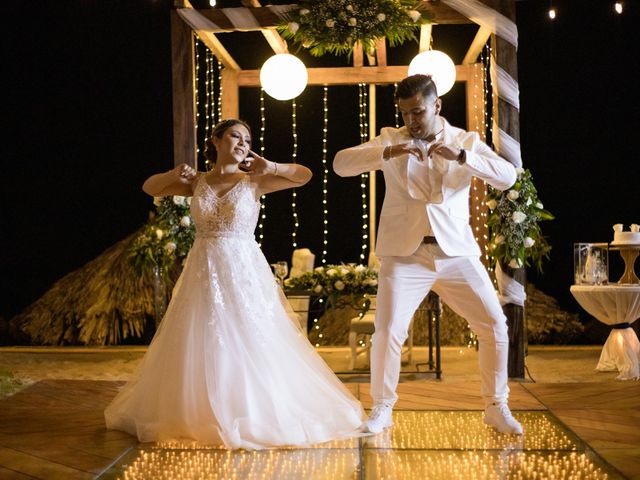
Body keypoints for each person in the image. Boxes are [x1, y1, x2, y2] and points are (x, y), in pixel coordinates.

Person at [105, 119, 364, 449]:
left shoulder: (255, 181)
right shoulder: (197, 182)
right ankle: (200, 411)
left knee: (251, 335)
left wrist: (271, 165)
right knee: (201, 336)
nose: (242, 143)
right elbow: (149, 188)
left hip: (243, 270)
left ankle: (253, 409)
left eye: (247, 139)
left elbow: (304, 176)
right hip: (202, 268)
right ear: (216, 139)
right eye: (234, 136)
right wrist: (174, 176)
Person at [333, 74, 523, 435]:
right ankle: (382, 409)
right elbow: (342, 164)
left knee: (495, 325)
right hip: (404, 256)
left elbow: (508, 177)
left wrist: (464, 157)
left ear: (437, 106)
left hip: (456, 254)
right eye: (405, 113)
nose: (411, 120)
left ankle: (496, 406)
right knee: (387, 331)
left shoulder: (465, 140)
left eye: (418, 112)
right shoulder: (390, 138)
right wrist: (390, 151)